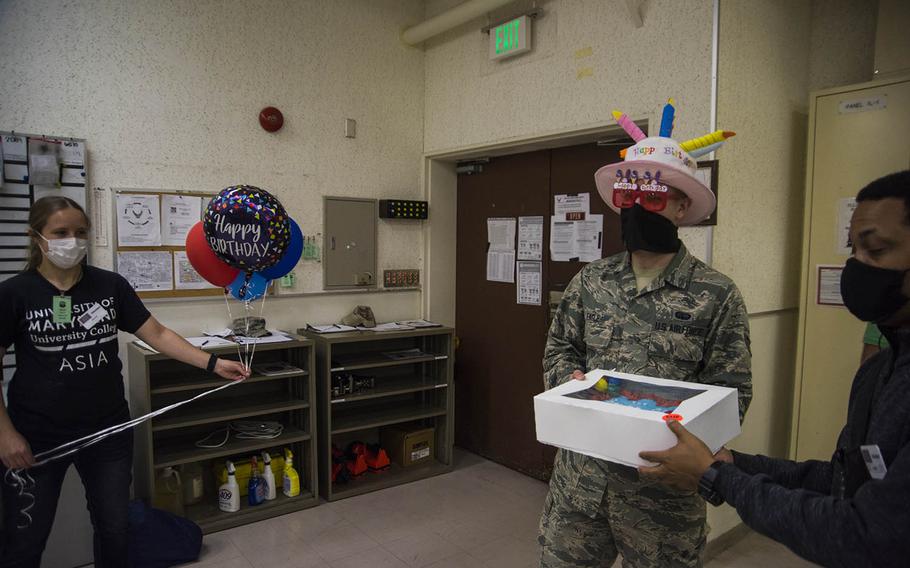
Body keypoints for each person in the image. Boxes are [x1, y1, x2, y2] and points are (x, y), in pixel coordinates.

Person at [638, 170, 910, 567]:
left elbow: (867, 536)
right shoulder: (879, 372)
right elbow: (842, 481)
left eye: (876, 250)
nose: (856, 267)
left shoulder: (717, 292)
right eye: (853, 251)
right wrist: (731, 465)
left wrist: (714, 476)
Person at [539, 127, 752, 566]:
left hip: (663, 502)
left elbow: (732, 391)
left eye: (652, 198)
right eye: (627, 197)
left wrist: (693, 448)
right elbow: (560, 346)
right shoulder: (591, 281)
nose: (637, 209)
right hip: (581, 486)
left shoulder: (716, 294)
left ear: (680, 206)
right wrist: (569, 383)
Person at [0, 196, 250, 568]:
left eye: (80, 232)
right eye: (61, 232)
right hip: (37, 436)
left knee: (114, 529)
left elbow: (158, 334)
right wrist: (5, 433)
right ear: (36, 237)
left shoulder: (109, 286)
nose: (73, 240)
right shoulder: (15, 293)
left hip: (108, 431)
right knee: (24, 540)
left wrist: (213, 363)